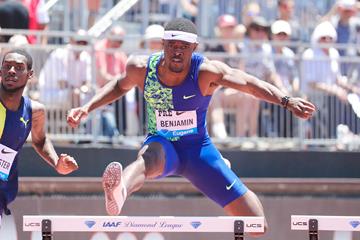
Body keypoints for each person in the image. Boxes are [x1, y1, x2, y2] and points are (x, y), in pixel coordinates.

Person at [67, 18, 315, 236]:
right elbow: (118, 86)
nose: (177, 53)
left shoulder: (205, 71)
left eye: (183, 48)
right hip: (162, 144)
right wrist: (87, 107)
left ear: (193, 49)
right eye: (172, 46)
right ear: (162, 45)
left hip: (198, 151)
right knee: (148, 158)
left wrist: (286, 100)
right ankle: (119, 190)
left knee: (257, 225)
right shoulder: (142, 68)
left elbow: (248, 83)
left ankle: (220, 169)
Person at [0, 49, 79, 227]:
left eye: (18, 67)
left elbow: (40, 140)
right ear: (0, 72)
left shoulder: (35, 111)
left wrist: (56, 162)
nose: (11, 70)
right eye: (7, 66)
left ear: (30, 75)